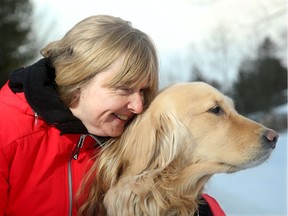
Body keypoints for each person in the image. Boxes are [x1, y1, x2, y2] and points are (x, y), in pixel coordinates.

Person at [0, 14, 225, 216]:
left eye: (143, 91)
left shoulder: (130, 132)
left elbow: (172, 192)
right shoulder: (7, 131)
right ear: (78, 78)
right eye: (124, 88)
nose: (138, 106)